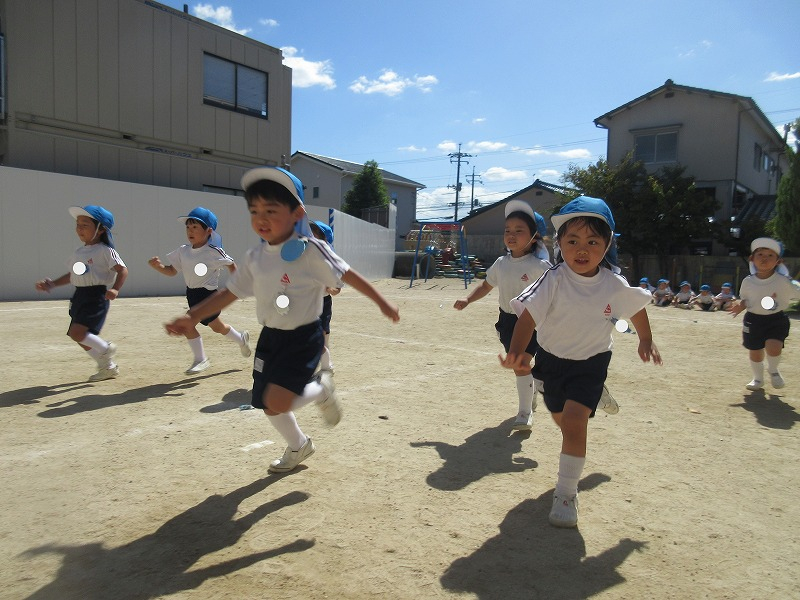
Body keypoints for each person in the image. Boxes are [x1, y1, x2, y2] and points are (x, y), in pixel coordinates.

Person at [165, 167, 400, 474]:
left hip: (302, 337)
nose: (261, 218)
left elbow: (348, 275)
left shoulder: (312, 250)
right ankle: (299, 445)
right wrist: (192, 316)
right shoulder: (255, 256)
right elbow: (230, 292)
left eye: (271, 210)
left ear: (296, 213)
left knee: (278, 399)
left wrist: (382, 302)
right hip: (270, 336)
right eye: (255, 210)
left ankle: (322, 389)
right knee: (264, 401)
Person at [499, 196, 662, 528]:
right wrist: (519, 351)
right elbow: (527, 319)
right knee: (563, 421)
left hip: (591, 363)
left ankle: (566, 493)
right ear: (560, 245)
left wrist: (645, 338)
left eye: (592, 241)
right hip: (552, 362)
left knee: (574, 422)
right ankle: (594, 397)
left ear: (607, 245)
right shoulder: (554, 279)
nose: (582, 248)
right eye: (572, 241)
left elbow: (636, 307)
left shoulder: (612, 283)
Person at [453, 200, 552, 431]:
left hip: (535, 321)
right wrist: (468, 299)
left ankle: (525, 413)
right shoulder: (500, 264)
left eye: (519, 231)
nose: (511, 235)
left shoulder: (540, 266)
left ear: (534, 237)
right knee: (522, 365)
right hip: (508, 321)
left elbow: (557, 290)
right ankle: (531, 391)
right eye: (508, 230)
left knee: (521, 363)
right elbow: (486, 286)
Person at [148, 207, 251, 374]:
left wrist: (237, 283)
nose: (190, 230)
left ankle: (200, 359)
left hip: (208, 296)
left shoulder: (213, 251)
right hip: (192, 294)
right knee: (217, 327)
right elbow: (172, 271)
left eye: (195, 227)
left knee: (188, 324)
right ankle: (241, 339)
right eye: (188, 227)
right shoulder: (183, 251)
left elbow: (231, 264)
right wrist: (159, 267)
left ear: (209, 231)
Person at [35, 205, 128, 381]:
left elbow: (123, 270)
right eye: (78, 224)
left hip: (96, 296)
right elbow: (73, 275)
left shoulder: (105, 251)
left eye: (85, 224)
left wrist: (115, 288)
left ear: (100, 230)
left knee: (78, 333)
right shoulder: (79, 252)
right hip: (80, 296)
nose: (79, 228)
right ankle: (107, 367)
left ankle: (106, 348)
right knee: (77, 336)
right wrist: (52, 284)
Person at [729, 237, 800, 391]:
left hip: (776, 319)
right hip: (753, 320)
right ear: (752, 259)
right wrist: (740, 307)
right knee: (755, 351)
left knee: (774, 347)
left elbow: (797, 293)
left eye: (770, 256)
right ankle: (758, 379)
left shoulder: (783, 281)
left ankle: (773, 371)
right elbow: (746, 300)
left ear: (778, 261)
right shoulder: (748, 281)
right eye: (760, 255)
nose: (764, 259)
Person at [308, 220, 341, 373]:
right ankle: (322, 365)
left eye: (313, 234)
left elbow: (337, 287)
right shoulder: (304, 255)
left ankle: (327, 367)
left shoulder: (330, 260)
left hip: (323, 301)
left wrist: (331, 288)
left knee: (321, 335)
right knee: (314, 337)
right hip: (306, 301)